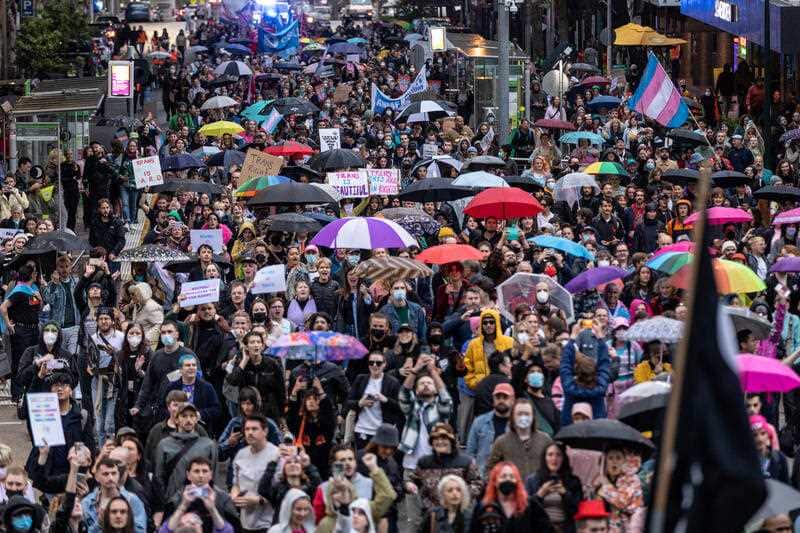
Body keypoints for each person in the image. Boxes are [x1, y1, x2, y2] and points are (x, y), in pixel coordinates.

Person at [153, 402, 218, 496]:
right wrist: (163, 505)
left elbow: (214, 478)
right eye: (184, 416)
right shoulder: (164, 445)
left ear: (196, 419)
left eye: (192, 416)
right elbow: (158, 478)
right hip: (173, 502)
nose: (188, 420)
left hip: (201, 500)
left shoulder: (208, 445)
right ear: (176, 419)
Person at [469, 462, 553, 533]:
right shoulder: (483, 508)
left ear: (517, 481)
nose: (508, 479)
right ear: (494, 481)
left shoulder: (531, 505)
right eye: (503, 476)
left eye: (512, 476)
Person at [231, 415, 280, 533]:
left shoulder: (276, 455)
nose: (250, 433)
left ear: (265, 431)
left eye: (254, 429)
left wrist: (259, 500)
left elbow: (281, 492)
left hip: (268, 522)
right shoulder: (240, 454)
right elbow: (235, 483)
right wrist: (234, 495)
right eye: (247, 429)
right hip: (245, 522)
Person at [346, 350, 403, 449]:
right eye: (371, 363)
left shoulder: (393, 382)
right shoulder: (360, 379)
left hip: (382, 431)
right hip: (361, 429)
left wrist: (385, 400)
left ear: (384, 364)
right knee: (362, 460)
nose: (375, 365)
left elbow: (401, 407)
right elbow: (348, 402)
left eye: (378, 363)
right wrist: (360, 403)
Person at [487, 398, 553, 479]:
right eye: (520, 414)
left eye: (527, 414)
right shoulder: (501, 441)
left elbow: (554, 465)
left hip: (539, 489)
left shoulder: (545, 439)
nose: (523, 417)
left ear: (533, 416)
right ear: (513, 416)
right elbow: (490, 468)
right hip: (513, 490)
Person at [525, 442, 583, 533]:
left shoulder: (573, 481)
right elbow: (526, 510)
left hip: (565, 529)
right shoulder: (532, 480)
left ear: (563, 458)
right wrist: (540, 494)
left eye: (558, 455)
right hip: (540, 529)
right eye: (550, 455)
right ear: (544, 458)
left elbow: (577, 509)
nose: (554, 459)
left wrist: (565, 494)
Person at [80, 457, 147, 533]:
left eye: (114, 473)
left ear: (118, 475)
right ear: (97, 477)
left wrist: (124, 521)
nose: (110, 478)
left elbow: (141, 530)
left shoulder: (132, 500)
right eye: (105, 474)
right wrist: (99, 524)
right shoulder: (87, 503)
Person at [466, 383, 515, 475]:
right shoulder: (479, 422)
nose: (501, 400)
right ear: (493, 399)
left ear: (512, 400)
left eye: (505, 397)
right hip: (483, 477)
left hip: (510, 477)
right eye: (498, 397)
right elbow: (470, 453)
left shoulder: (517, 424)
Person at [592, 446, 644, 533]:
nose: (614, 462)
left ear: (624, 462)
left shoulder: (632, 479)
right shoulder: (600, 479)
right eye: (610, 458)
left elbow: (622, 502)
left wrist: (606, 484)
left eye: (618, 458)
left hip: (626, 528)